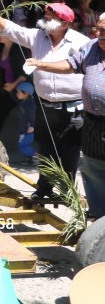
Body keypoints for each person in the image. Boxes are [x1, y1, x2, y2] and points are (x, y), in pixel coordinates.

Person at [0, 0, 88, 201]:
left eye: (52, 16)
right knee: (46, 148)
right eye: (47, 15)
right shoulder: (38, 36)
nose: (46, 18)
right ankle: (44, 188)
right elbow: (13, 30)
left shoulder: (81, 42)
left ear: (65, 23)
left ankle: (68, 191)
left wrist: (40, 64)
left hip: (73, 105)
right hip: (45, 104)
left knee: (70, 150)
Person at [24, 12, 105, 219]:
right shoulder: (90, 47)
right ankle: (97, 214)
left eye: (104, 31)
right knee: (91, 166)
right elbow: (70, 64)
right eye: (98, 29)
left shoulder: (84, 41)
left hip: (84, 113)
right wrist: (41, 64)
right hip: (93, 121)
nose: (98, 33)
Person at [15, 81, 37, 165]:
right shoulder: (24, 103)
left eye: (18, 92)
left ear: (26, 93)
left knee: (23, 145)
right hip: (24, 129)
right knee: (23, 144)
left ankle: (37, 157)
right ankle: (29, 159)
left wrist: (32, 126)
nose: (17, 94)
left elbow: (32, 115)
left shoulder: (30, 104)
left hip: (29, 129)